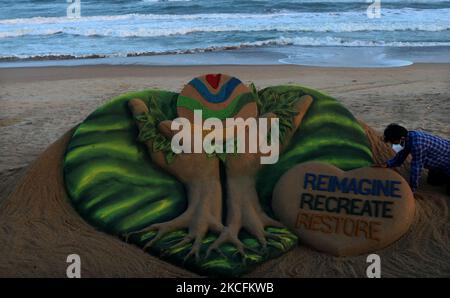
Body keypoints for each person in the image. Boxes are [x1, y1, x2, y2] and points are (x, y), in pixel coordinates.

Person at [374, 123, 450, 195]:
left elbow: (416, 168)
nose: (392, 143)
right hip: (441, 158)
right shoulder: (409, 136)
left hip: (447, 160)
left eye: (393, 141)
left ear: (402, 138)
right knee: (432, 181)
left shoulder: (417, 145)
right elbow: (401, 155)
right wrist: (387, 164)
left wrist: (411, 189)